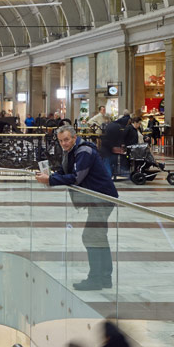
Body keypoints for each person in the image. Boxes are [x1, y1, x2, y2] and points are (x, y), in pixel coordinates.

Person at [36, 124, 119, 290]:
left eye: (66, 140)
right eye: (61, 141)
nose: (64, 144)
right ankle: (104, 278)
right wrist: (49, 176)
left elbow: (76, 177)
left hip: (102, 199)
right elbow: (64, 170)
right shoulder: (72, 151)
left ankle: (97, 279)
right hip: (97, 199)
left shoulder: (84, 151)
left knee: (91, 236)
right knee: (97, 237)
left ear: (74, 138)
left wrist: (50, 180)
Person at [99, 113, 127, 178]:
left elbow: (106, 139)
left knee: (107, 165)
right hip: (115, 150)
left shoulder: (105, 127)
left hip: (107, 150)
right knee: (112, 164)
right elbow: (120, 137)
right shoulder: (117, 126)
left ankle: (108, 179)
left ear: (106, 119)